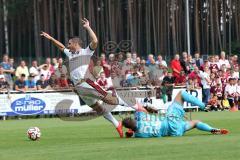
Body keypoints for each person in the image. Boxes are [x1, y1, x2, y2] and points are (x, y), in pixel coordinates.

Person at [41, 18, 129, 138]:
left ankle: (134, 106)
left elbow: (95, 40)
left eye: (69, 43)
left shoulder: (86, 52)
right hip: (79, 88)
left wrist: (88, 27)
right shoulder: (70, 53)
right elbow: (61, 47)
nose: (68, 45)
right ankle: (117, 124)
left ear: (76, 44)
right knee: (98, 108)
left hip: (86, 83)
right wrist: (50, 38)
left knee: (109, 100)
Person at [122, 91, 228, 138]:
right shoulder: (140, 117)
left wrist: (130, 134)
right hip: (170, 121)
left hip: (174, 133)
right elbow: (145, 109)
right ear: (133, 119)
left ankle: (212, 129)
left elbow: (133, 131)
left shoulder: (139, 135)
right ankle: (203, 106)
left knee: (196, 122)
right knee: (181, 94)